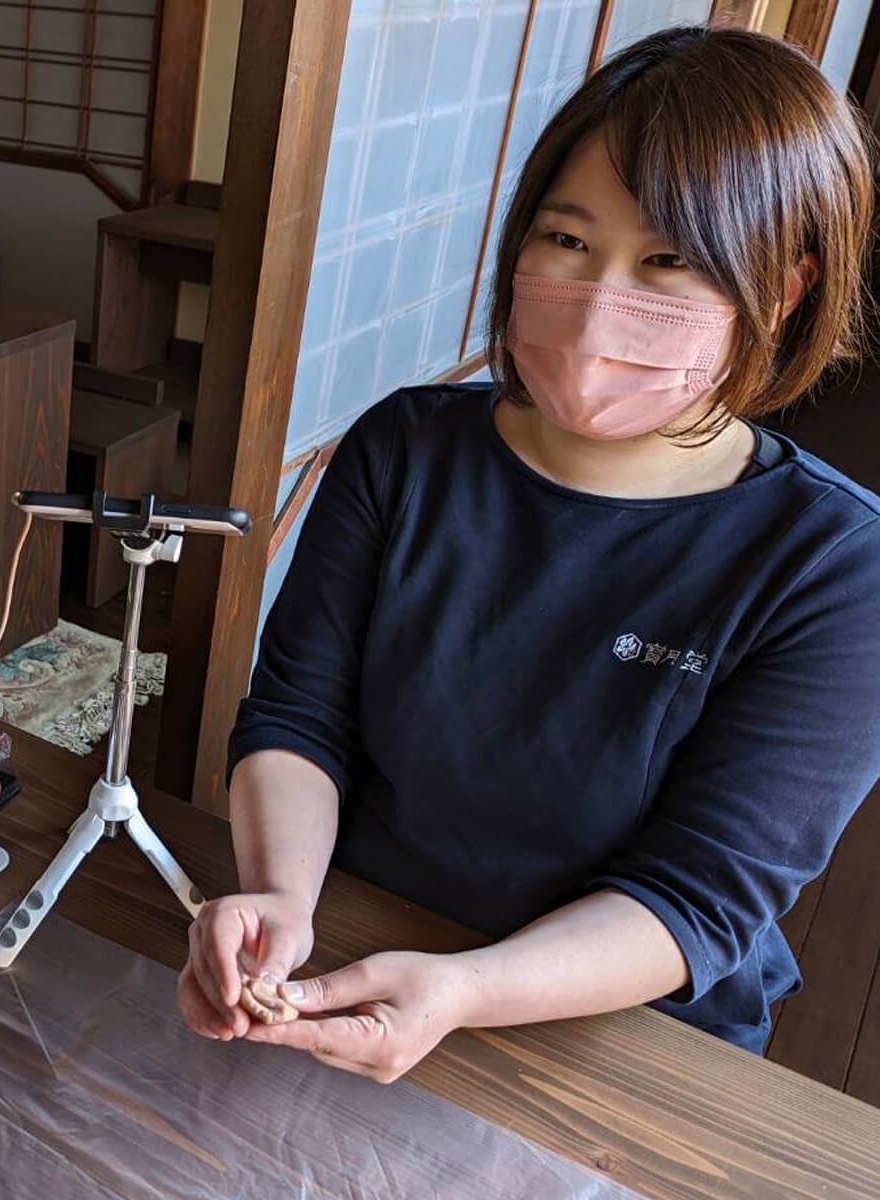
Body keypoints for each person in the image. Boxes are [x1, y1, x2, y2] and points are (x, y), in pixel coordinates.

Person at [179, 25, 880, 1080]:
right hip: (360, 942)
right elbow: (297, 715)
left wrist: (467, 991)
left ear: (781, 291)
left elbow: (699, 896)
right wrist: (282, 892)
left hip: (620, 1030)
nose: (599, 300)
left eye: (668, 261)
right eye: (566, 240)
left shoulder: (835, 565)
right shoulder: (404, 449)